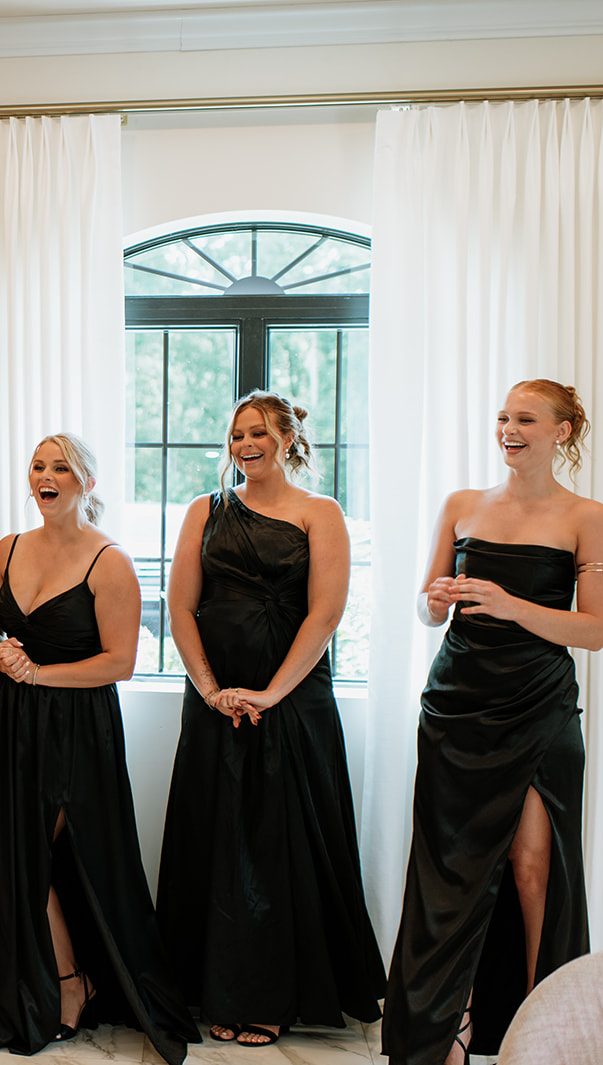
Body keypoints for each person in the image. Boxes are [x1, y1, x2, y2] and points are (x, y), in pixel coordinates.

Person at [382, 380, 603, 1065]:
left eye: (525, 419)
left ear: (562, 432)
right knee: (449, 871)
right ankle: (450, 1026)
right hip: (456, 705)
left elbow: (595, 629)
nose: (509, 429)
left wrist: (511, 604)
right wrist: (435, 601)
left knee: (533, 867)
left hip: (538, 707)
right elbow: (428, 609)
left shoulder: (588, 516)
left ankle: (545, 1030)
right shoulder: (461, 504)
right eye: (503, 418)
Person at [0, 434, 198, 1063]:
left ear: (86, 482)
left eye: (60, 467)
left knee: (47, 853)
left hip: (78, 728)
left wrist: (38, 673)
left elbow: (120, 662)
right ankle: (64, 975)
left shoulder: (109, 561)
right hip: (11, 723)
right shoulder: (7, 548)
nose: (46, 477)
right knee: (11, 852)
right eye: (38, 466)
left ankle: (72, 982)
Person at [156, 390, 386, 1048]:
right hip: (214, 699)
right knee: (217, 836)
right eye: (236, 435)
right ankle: (218, 990)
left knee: (279, 843)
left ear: (288, 439)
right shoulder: (205, 510)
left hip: (293, 699)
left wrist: (269, 694)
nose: (245, 444)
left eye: (258, 432)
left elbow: (325, 614)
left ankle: (273, 996)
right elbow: (180, 606)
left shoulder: (321, 512)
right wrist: (210, 690)